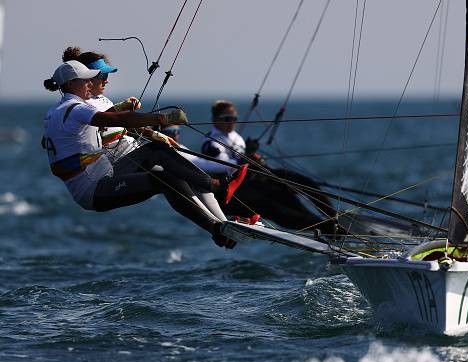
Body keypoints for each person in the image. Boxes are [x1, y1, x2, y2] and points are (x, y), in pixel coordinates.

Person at [42, 61, 247, 248]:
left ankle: (218, 209)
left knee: (159, 157)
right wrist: (162, 118)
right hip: (95, 189)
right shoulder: (75, 109)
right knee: (163, 176)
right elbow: (118, 120)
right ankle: (216, 209)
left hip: (104, 175)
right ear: (70, 84)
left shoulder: (54, 112)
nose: (90, 83)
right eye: (85, 80)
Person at [165, 100, 341, 234]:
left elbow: (238, 159)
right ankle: (327, 227)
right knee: (274, 206)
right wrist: (243, 161)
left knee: (300, 183)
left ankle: (333, 219)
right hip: (237, 188)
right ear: (215, 120)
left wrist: (250, 153)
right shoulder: (211, 142)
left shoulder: (235, 137)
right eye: (226, 119)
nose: (231, 122)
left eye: (233, 118)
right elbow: (215, 164)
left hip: (251, 178)